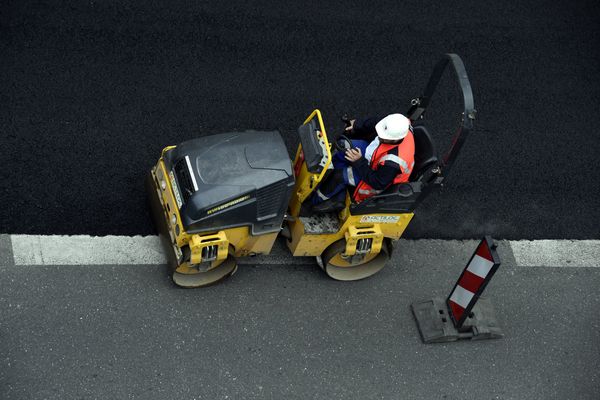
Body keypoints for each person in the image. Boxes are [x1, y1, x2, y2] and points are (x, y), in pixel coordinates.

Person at [309, 113, 415, 213]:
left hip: (375, 177)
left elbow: (378, 182)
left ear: (394, 140)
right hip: (374, 155)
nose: (379, 136)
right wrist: (356, 124)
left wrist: (359, 162)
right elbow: (376, 122)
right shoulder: (397, 123)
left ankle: (315, 201)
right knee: (343, 146)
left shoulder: (393, 163)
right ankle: (335, 190)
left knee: (339, 176)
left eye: (383, 137)